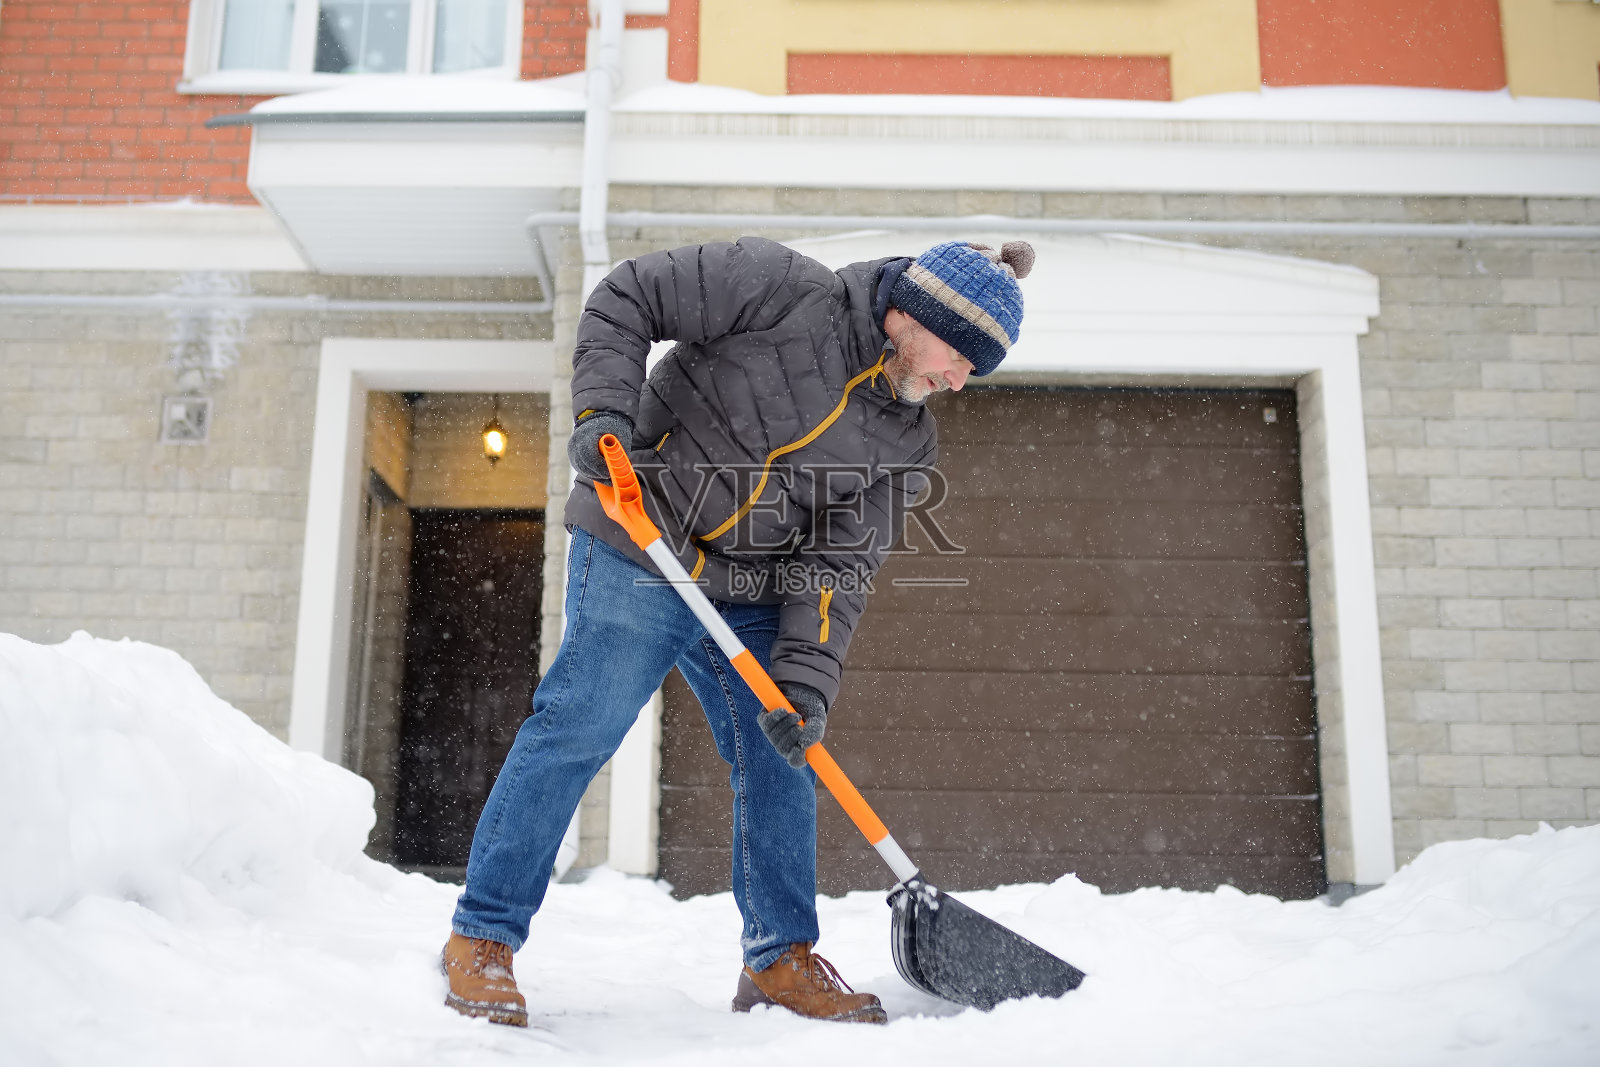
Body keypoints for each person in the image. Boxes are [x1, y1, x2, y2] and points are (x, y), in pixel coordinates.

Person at [440, 235, 1034, 1027]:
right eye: (960, 357)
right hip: (640, 532)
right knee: (583, 720)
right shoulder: (780, 286)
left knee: (783, 749)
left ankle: (779, 958)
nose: (959, 381)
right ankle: (482, 935)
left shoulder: (907, 440)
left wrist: (805, 685)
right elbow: (627, 295)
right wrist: (603, 411)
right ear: (914, 315)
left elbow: (837, 566)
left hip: (749, 583)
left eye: (973, 371)